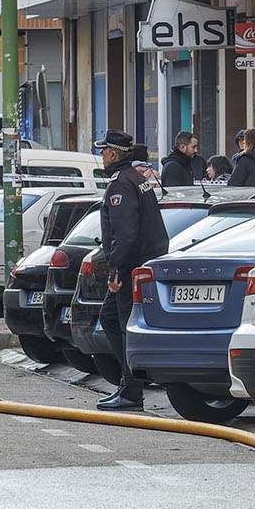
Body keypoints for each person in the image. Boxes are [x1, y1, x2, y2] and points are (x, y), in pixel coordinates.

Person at [95, 130, 169, 411]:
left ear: (113, 154)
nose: (102, 156)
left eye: (104, 151)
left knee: (121, 324)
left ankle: (131, 389)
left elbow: (125, 234)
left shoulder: (122, 185)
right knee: (113, 319)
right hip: (142, 263)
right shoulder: (138, 179)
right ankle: (129, 383)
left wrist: (116, 270)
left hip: (130, 268)